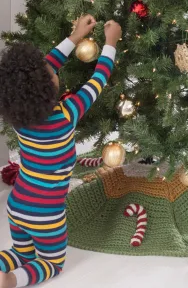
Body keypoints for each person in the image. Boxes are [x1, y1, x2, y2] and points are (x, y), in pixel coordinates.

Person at [0, 15, 121, 288]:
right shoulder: (67, 114)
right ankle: (12, 281)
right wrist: (111, 42)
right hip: (46, 213)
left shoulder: (19, 117)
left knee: (21, 252)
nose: (53, 70)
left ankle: (6, 268)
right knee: (51, 263)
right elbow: (98, 79)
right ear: (47, 88)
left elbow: (42, 68)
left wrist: (76, 36)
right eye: (52, 75)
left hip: (17, 204)